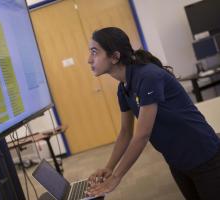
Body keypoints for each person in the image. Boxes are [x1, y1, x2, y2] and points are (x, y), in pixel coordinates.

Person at [85, 27, 220, 200]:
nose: (89, 60)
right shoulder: (123, 88)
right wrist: (109, 168)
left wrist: (116, 177)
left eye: (94, 52)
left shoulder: (148, 76)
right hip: (177, 160)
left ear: (115, 57)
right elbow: (126, 132)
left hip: (203, 155)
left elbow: (142, 134)